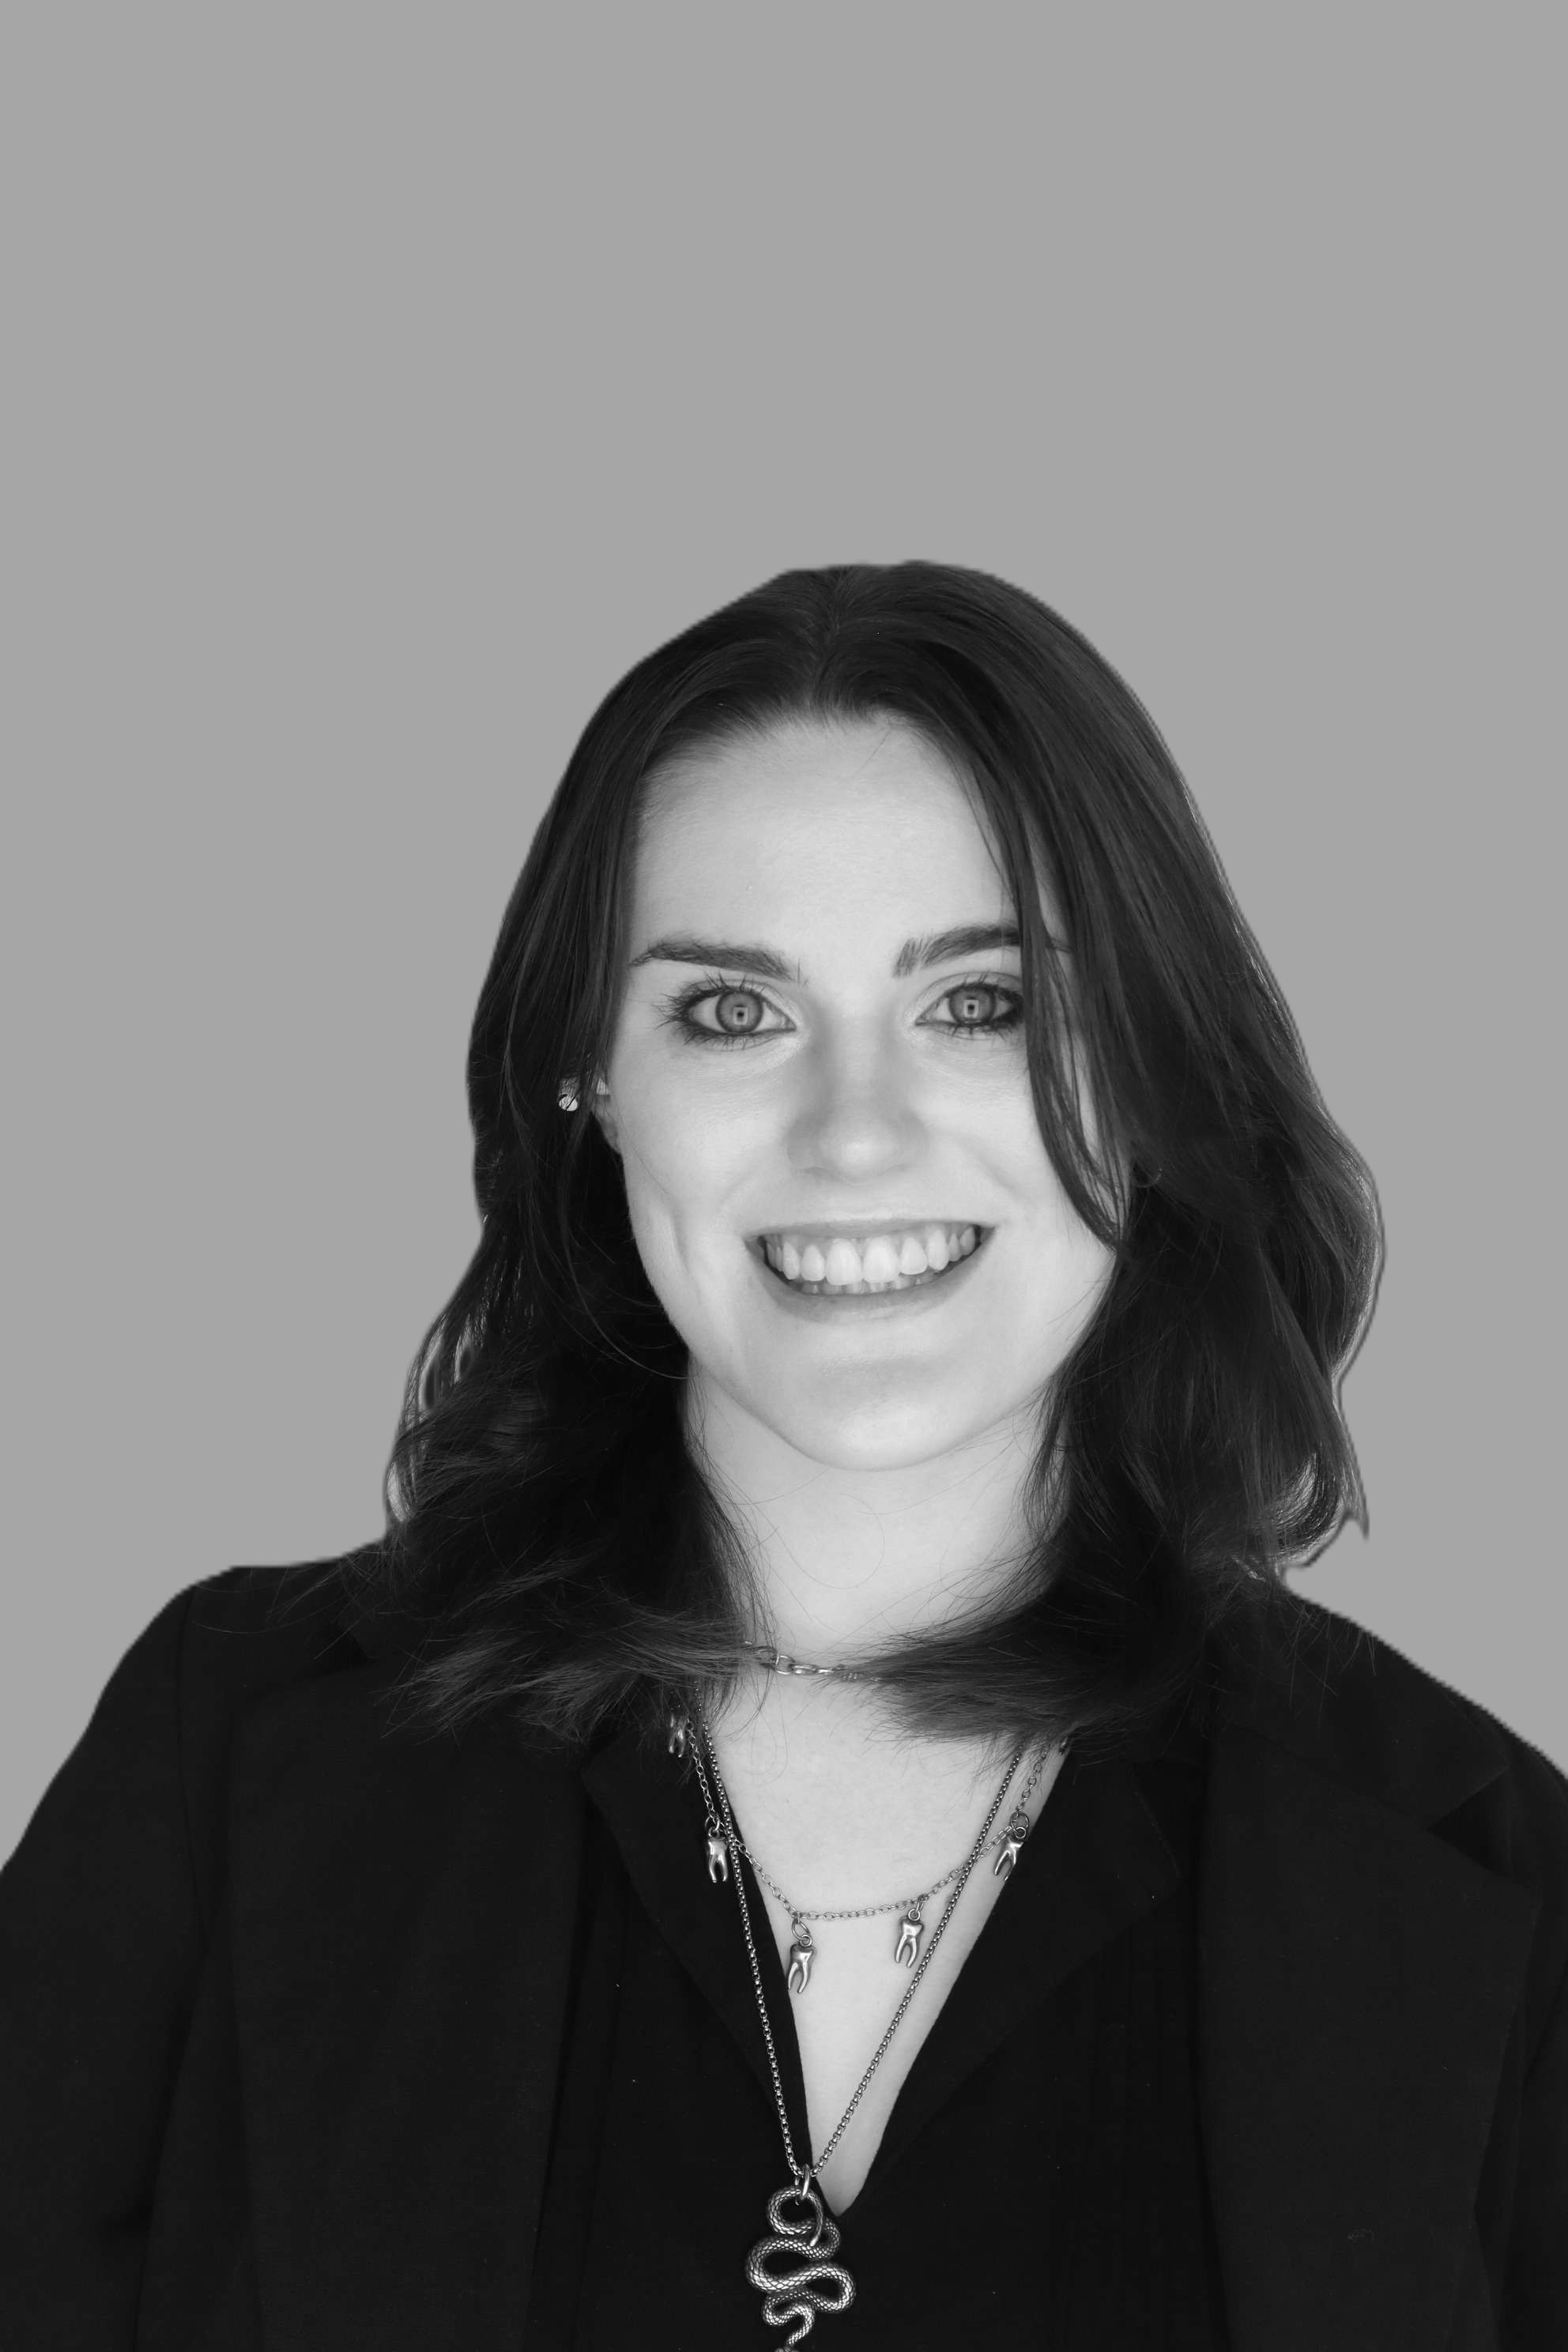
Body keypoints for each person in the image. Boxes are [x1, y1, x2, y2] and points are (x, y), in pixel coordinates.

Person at [1, 561, 1562, 2350]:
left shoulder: (1482, 1870)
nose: (853, 1133)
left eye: (981, 1005)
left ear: (1149, 1078)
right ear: (588, 1078)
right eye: (732, 1013)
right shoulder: (225, 1750)